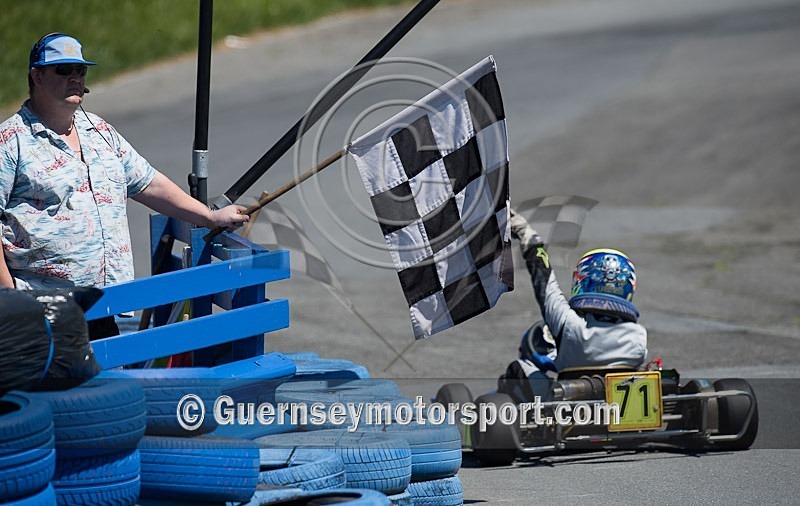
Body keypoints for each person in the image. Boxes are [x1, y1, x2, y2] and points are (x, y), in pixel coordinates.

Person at [0, 33, 249, 338]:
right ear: (37, 75)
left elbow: (149, 184)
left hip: (104, 305)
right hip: (40, 311)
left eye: (81, 71)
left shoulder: (100, 130)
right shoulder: (10, 142)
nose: (75, 78)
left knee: (105, 384)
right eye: (64, 70)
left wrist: (209, 217)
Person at [498, 207, 648, 401]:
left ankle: (512, 419)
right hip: (620, 408)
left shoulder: (568, 324)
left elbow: (545, 283)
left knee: (518, 368)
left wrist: (529, 237)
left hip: (569, 409)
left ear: (583, 281)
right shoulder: (638, 337)